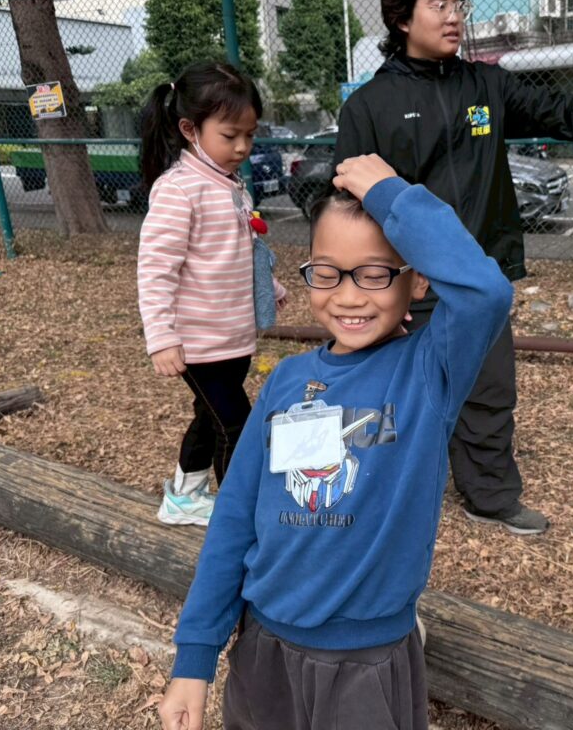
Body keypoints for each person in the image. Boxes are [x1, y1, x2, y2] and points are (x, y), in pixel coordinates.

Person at [156, 153, 513, 730]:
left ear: (419, 277)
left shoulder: (429, 372)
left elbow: (485, 293)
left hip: (366, 662)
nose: (348, 296)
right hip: (263, 646)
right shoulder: (286, 381)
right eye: (327, 273)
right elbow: (236, 519)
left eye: (375, 273)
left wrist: (393, 196)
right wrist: (194, 657)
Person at [334, 0, 573, 535]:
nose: (454, 17)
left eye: (458, 5)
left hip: (477, 278)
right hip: (405, 280)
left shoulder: (486, 86)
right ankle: (376, 497)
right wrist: (372, 280)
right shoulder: (369, 106)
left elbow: (559, 110)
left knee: (488, 390)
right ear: (402, 18)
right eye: (439, 5)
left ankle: (487, 496)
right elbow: (347, 205)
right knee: (390, 392)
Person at [137, 61, 287, 527]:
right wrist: (162, 338)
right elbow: (156, 269)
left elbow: (241, 249)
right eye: (230, 135)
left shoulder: (227, 182)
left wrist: (269, 286)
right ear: (190, 129)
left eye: (250, 134)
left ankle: (184, 497)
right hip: (199, 343)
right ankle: (239, 521)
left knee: (209, 417)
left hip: (233, 337)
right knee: (236, 425)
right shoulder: (179, 190)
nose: (242, 146)